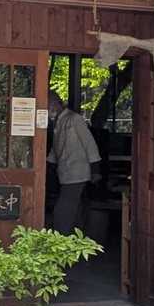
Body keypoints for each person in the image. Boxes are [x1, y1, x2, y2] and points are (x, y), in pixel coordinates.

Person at [48, 91, 102, 236]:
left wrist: (95, 169)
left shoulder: (74, 119)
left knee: (63, 210)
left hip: (77, 172)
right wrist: (49, 165)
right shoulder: (57, 122)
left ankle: (60, 238)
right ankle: (75, 239)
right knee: (74, 209)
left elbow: (90, 145)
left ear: (55, 104)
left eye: (48, 106)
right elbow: (55, 148)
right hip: (65, 172)